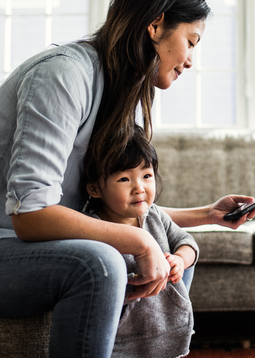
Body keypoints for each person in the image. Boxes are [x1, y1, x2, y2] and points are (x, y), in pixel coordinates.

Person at [0, 0, 255, 358]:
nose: (192, 59)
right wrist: (138, 240)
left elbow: (123, 205)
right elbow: (31, 215)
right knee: (101, 264)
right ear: (156, 25)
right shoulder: (64, 75)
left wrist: (209, 215)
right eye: (191, 41)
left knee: (170, 257)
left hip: (11, 247)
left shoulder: (118, 94)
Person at [81, 124, 198, 357]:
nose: (139, 188)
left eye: (146, 176)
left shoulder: (154, 216)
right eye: (124, 179)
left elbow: (187, 242)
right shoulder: (92, 228)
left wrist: (180, 260)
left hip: (167, 326)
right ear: (95, 188)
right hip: (120, 336)